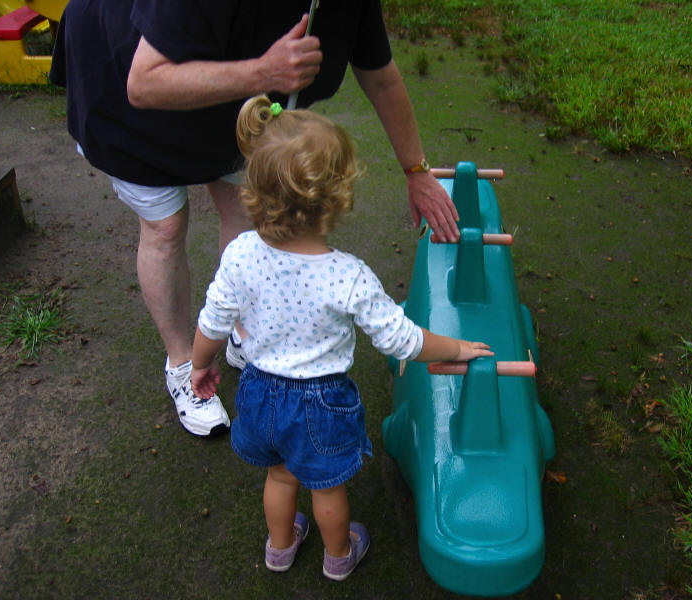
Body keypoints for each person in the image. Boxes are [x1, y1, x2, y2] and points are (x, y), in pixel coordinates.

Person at [49, 0, 461, 438]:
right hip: (131, 83)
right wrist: (264, 71)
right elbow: (144, 82)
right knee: (165, 226)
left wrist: (417, 171)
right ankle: (183, 366)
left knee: (241, 207)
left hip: (235, 101)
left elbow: (380, 76)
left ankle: (245, 334)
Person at [190, 95, 492, 580]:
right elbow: (402, 340)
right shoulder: (347, 275)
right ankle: (338, 556)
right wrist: (456, 347)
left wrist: (199, 364)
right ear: (335, 200)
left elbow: (213, 322)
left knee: (280, 476)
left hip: (259, 393)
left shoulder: (240, 253)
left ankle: (279, 549)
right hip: (321, 403)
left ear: (255, 190)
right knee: (326, 486)